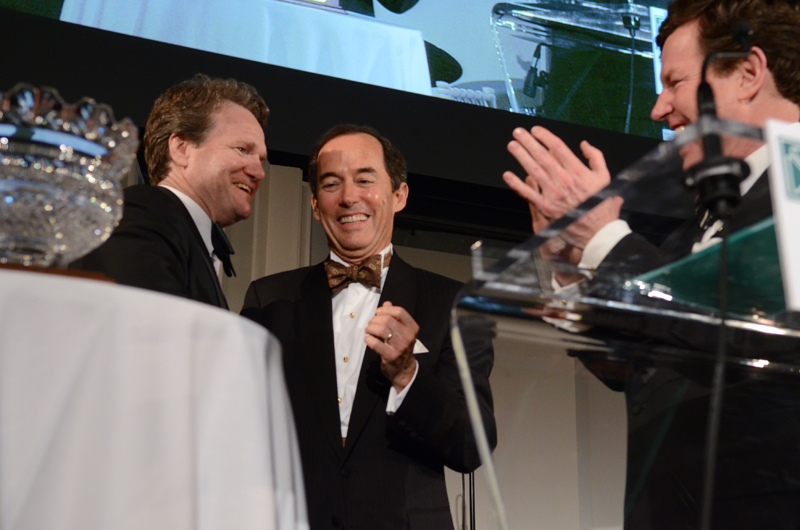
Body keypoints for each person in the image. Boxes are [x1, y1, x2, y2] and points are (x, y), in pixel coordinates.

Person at [503, 0, 800, 528]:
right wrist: (570, 268)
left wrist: (604, 236)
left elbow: (738, 332)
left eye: (675, 83)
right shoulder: (698, 223)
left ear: (748, 74)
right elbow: (642, 367)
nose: (658, 110)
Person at [241, 124, 496, 530]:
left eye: (364, 180)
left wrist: (407, 375)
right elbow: (244, 431)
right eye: (331, 184)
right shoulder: (268, 299)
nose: (348, 197)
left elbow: (471, 447)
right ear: (314, 204)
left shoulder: (454, 304)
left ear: (399, 195)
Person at [70, 74, 269, 309]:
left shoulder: (184, 233)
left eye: (261, 160)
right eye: (242, 149)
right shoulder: (141, 212)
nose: (259, 172)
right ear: (181, 149)